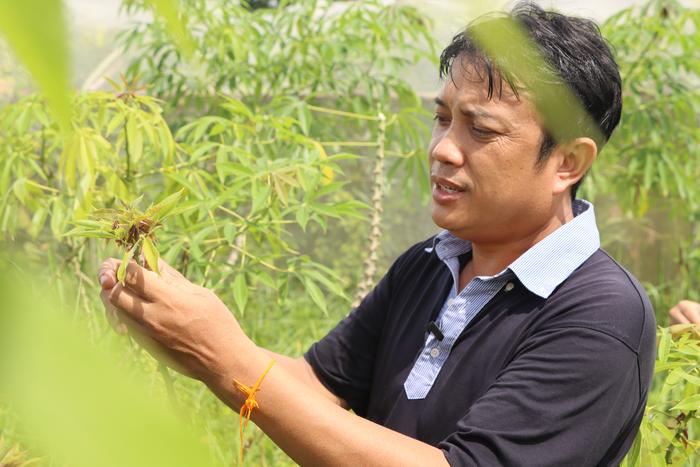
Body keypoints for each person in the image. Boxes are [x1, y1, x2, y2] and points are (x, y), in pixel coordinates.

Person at [98, 3, 656, 466]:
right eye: (442, 118)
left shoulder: (601, 315)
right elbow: (314, 385)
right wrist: (184, 330)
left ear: (567, 162)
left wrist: (227, 357)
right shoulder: (431, 264)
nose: (442, 149)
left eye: (480, 129)